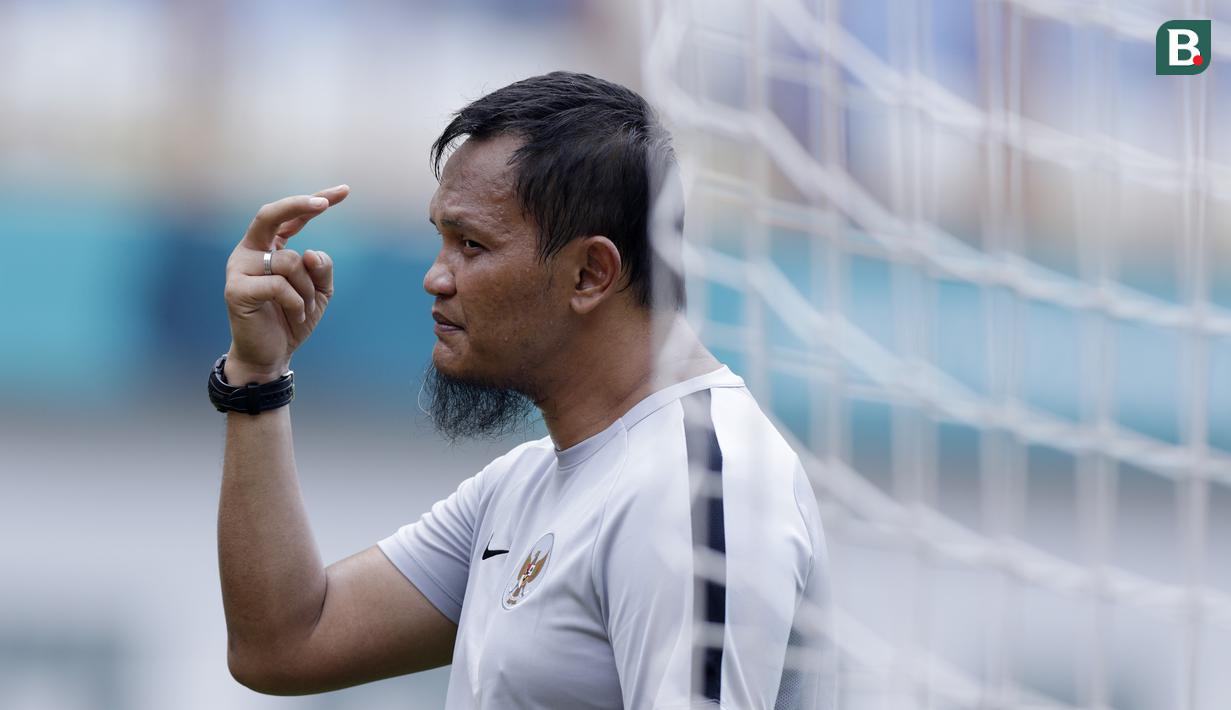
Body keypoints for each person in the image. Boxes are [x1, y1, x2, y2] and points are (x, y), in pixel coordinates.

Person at [214, 71, 834, 709]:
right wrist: (256, 377)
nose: (435, 277)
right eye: (441, 239)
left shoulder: (696, 483)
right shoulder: (525, 484)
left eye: (471, 245)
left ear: (591, 273)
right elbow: (284, 643)